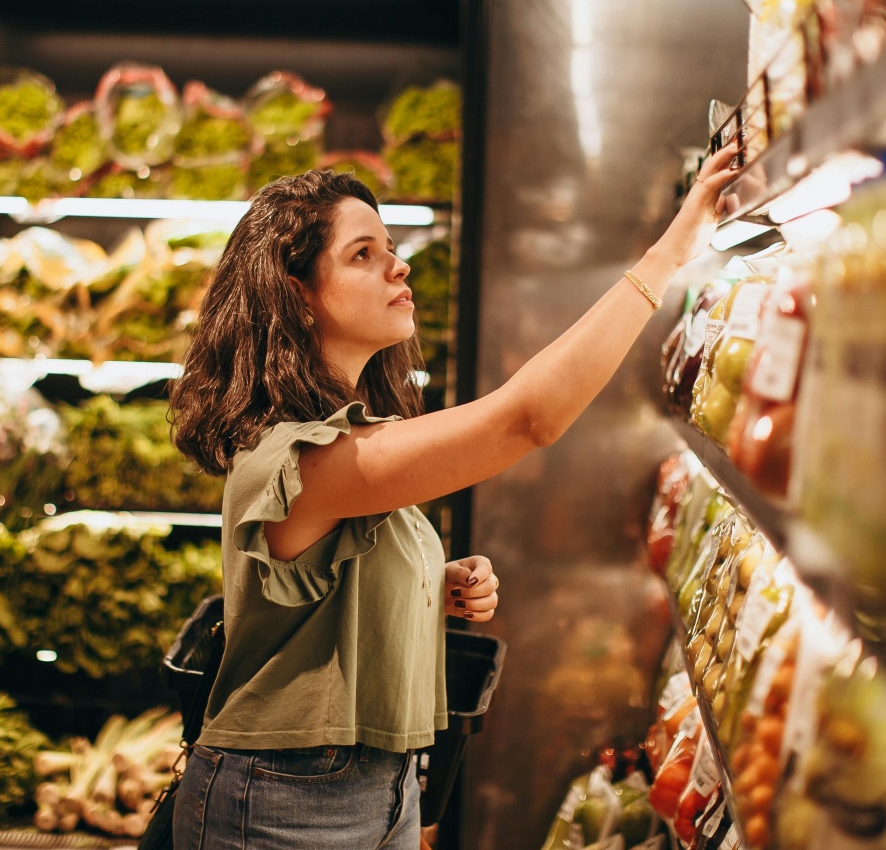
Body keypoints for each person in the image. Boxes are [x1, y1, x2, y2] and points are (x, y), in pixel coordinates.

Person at [167, 144, 741, 849]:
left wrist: (429, 584)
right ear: (297, 293)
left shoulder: (348, 440)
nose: (397, 264)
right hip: (283, 798)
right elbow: (527, 418)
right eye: (363, 254)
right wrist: (666, 253)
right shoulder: (294, 457)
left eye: (391, 247)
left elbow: (322, 590)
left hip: (377, 786)